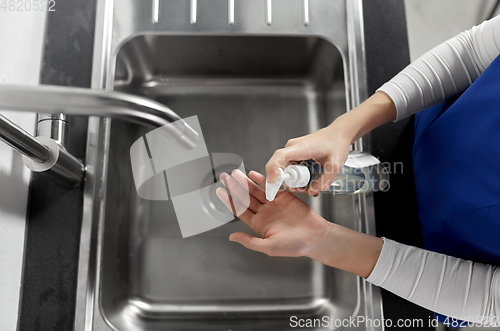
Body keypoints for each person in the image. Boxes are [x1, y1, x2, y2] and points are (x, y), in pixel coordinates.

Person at [216, 15, 500, 326]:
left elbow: (486, 298)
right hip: (422, 133)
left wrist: (320, 239)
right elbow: (472, 53)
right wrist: (342, 129)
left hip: (436, 261)